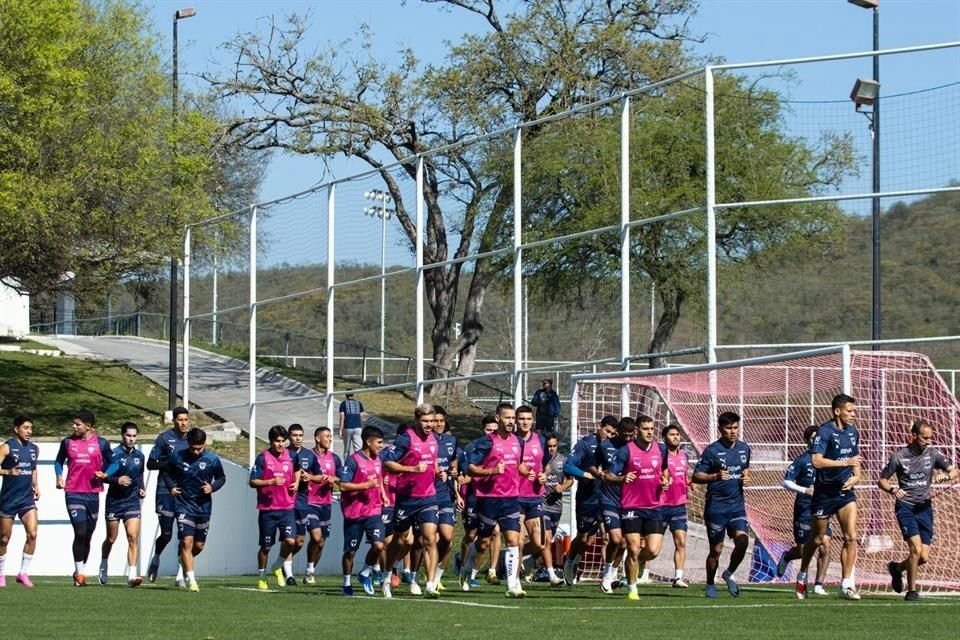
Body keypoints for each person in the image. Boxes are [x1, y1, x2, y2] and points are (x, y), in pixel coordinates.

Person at [878, 419, 958, 601]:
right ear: (913, 436)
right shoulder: (899, 457)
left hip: (925, 508)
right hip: (906, 507)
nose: (928, 441)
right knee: (915, 549)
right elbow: (882, 480)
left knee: (923, 557)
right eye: (924, 438)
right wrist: (892, 489)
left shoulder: (933, 454)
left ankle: (897, 569)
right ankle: (912, 591)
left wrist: (945, 477)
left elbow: (954, 471)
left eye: (930, 438)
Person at [796, 393, 861, 601]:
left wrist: (857, 476)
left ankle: (846, 584)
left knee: (851, 537)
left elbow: (855, 459)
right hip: (824, 494)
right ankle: (803, 573)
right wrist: (844, 463)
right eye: (849, 411)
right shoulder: (824, 432)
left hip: (845, 493)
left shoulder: (853, 432)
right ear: (837, 411)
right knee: (816, 539)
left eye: (853, 410)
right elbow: (816, 461)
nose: (853, 414)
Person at [461, 402, 526, 597]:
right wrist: (492, 471)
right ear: (498, 418)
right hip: (488, 498)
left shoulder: (518, 442)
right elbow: (470, 468)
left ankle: (513, 584)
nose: (511, 422)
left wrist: (531, 472)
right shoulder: (487, 442)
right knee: (483, 542)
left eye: (513, 418)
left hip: (511, 497)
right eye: (507, 418)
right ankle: (466, 570)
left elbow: (518, 465)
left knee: (513, 539)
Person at [382, 404, 443, 598]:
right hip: (407, 499)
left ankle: (430, 584)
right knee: (400, 540)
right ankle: (386, 576)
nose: (429, 425)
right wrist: (412, 469)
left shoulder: (434, 439)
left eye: (432, 421)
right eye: (425, 421)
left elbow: (431, 460)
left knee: (430, 538)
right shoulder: (406, 438)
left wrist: (436, 471)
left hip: (429, 497)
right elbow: (388, 463)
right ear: (416, 420)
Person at [606, 416, 669, 601]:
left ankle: (631, 565)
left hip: (654, 506)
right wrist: (622, 479)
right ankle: (632, 588)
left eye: (652, 428)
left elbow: (664, 470)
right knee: (633, 548)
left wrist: (666, 480)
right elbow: (608, 475)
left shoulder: (661, 449)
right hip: (631, 506)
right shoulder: (626, 451)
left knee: (653, 551)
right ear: (637, 431)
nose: (650, 432)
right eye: (645, 428)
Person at [692, 411, 752, 599]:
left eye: (735, 427)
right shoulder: (712, 451)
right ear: (720, 429)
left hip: (737, 506)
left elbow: (745, 468)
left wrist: (747, 476)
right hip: (716, 508)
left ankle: (729, 573)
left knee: (743, 541)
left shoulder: (744, 448)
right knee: (716, 550)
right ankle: (710, 583)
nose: (733, 432)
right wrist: (715, 476)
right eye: (728, 428)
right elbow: (696, 476)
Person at [163, 428, 226, 592]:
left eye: (200, 448)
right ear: (188, 444)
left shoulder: (212, 459)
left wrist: (212, 487)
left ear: (204, 444)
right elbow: (166, 472)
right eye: (193, 448)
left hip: (203, 507)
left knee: (198, 546)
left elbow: (221, 478)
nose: (197, 452)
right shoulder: (177, 457)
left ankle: (182, 559)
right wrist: (171, 486)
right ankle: (191, 580)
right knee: (186, 541)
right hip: (184, 505)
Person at [55, 410, 112, 587]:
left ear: (88, 426)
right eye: (74, 423)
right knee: (79, 531)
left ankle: (80, 570)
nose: (74, 426)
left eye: (78, 424)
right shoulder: (67, 442)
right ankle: (80, 573)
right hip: (73, 492)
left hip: (93, 493)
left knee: (88, 534)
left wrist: (106, 473)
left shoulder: (101, 444)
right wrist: (59, 476)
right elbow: (58, 461)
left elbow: (114, 462)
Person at [562, 414, 618, 586]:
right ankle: (570, 561)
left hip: (608, 496)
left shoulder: (615, 447)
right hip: (588, 496)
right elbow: (568, 465)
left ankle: (610, 575)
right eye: (607, 431)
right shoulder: (585, 443)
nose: (609, 436)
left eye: (613, 433)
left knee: (610, 537)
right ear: (599, 426)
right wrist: (585, 474)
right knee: (585, 538)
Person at [777, 425, 832, 595]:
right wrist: (805, 490)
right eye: (813, 438)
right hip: (804, 509)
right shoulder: (802, 460)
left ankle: (818, 584)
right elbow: (786, 481)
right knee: (803, 549)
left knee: (825, 546)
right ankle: (787, 556)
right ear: (806, 440)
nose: (816, 441)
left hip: (822, 508)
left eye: (819, 438)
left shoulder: (826, 459)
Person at [250, 425, 300, 590]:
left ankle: (278, 565)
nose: (280, 444)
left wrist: (297, 482)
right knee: (266, 547)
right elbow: (252, 481)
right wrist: (270, 482)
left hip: (287, 507)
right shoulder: (262, 458)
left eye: (282, 441)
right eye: (277, 441)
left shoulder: (292, 456)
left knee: (291, 541)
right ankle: (262, 576)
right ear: (271, 441)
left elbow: (298, 469)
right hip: (268, 509)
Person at [339, 426, 387, 597]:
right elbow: (343, 485)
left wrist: (383, 494)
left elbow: (379, 479)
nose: (381, 446)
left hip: (373, 511)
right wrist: (365, 486)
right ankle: (346, 582)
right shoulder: (353, 461)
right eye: (379, 442)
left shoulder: (378, 459)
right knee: (350, 551)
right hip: (354, 513)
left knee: (378, 545)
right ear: (368, 441)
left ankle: (365, 572)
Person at [146, 406, 191, 583]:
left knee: (185, 535)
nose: (183, 423)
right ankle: (156, 558)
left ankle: (180, 573)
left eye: (186, 420)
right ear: (174, 421)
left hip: (184, 491)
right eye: (180, 420)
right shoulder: (164, 439)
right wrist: (168, 465)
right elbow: (150, 464)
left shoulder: (191, 439)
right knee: (166, 534)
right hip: (165, 489)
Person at [99, 422, 146, 587]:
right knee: (111, 538)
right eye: (128, 435)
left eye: (134, 436)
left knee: (133, 537)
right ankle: (104, 562)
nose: (131, 439)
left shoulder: (140, 456)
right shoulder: (114, 455)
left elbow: (140, 475)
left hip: (132, 502)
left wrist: (142, 488)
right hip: (114, 502)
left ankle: (132, 574)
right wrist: (116, 480)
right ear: (122, 435)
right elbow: (102, 476)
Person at [515, 405, 558, 586]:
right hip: (514, 496)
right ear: (516, 420)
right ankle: (514, 580)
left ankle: (509, 560)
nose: (525, 422)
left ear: (533, 420)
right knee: (517, 539)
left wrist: (544, 475)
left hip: (534, 497)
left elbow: (547, 463)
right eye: (521, 419)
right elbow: (512, 464)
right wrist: (523, 471)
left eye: (528, 419)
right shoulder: (511, 440)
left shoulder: (540, 440)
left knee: (540, 543)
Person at [596, 416, 639, 593]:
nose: (628, 439)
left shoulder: (637, 447)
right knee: (614, 538)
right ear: (618, 431)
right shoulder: (605, 446)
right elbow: (593, 465)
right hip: (608, 498)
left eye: (631, 435)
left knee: (623, 544)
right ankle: (607, 573)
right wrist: (599, 474)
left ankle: (611, 573)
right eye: (625, 435)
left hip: (629, 500)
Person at [456, 415, 498, 589]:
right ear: (483, 429)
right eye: (489, 429)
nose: (492, 433)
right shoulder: (473, 447)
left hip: (494, 496)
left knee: (492, 534)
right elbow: (466, 472)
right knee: (472, 535)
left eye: (494, 430)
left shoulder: (503, 445)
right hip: (474, 496)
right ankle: (462, 563)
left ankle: (477, 572)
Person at [297, 425, 342, 585]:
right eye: (327, 436)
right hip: (309, 502)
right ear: (317, 438)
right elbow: (300, 474)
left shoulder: (335, 458)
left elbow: (343, 478)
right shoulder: (308, 456)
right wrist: (306, 477)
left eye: (331, 437)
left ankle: (310, 571)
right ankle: (295, 566)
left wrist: (334, 479)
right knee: (315, 537)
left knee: (321, 541)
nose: (330, 439)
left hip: (326, 504)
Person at [0, 415, 40, 588]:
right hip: (8, 500)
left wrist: (36, 485)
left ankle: (23, 573)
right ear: (16, 429)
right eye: (25, 428)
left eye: (30, 428)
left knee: (32, 534)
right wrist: (8, 473)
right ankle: (1, 574)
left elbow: (33, 468)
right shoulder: (6, 447)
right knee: (3, 539)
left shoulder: (34, 449)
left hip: (27, 500)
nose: (29, 431)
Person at [539, 432, 573, 584]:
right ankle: (551, 574)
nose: (551, 449)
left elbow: (570, 480)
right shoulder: (539, 460)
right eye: (548, 446)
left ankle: (527, 560)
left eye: (554, 446)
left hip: (557, 507)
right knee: (546, 540)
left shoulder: (563, 461)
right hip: (542, 505)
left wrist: (562, 487)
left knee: (545, 541)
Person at [661, 424, 690, 588]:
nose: (676, 437)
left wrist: (688, 485)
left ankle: (678, 577)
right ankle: (640, 573)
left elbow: (683, 476)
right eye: (672, 434)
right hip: (660, 504)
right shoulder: (659, 456)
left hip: (679, 505)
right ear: (664, 438)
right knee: (651, 546)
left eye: (678, 434)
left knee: (681, 542)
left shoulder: (684, 456)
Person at [339, 391, 367, 458]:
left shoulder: (343, 404)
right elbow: (362, 416)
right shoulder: (359, 403)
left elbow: (342, 417)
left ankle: (346, 465)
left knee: (346, 449)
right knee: (358, 448)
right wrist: (362, 427)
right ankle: (360, 463)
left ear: (346, 395)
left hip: (347, 428)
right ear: (353, 394)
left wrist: (340, 430)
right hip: (358, 428)